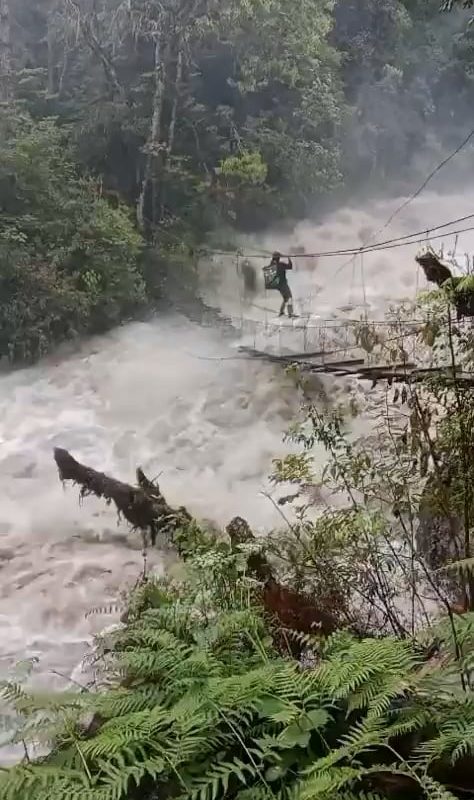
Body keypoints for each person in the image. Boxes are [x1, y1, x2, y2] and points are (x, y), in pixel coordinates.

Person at [271, 251, 294, 317]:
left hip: (278, 285)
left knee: (285, 298)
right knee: (289, 297)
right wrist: (289, 258)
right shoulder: (281, 265)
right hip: (283, 284)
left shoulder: (273, 265)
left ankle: (281, 311)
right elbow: (290, 266)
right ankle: (290, 313)